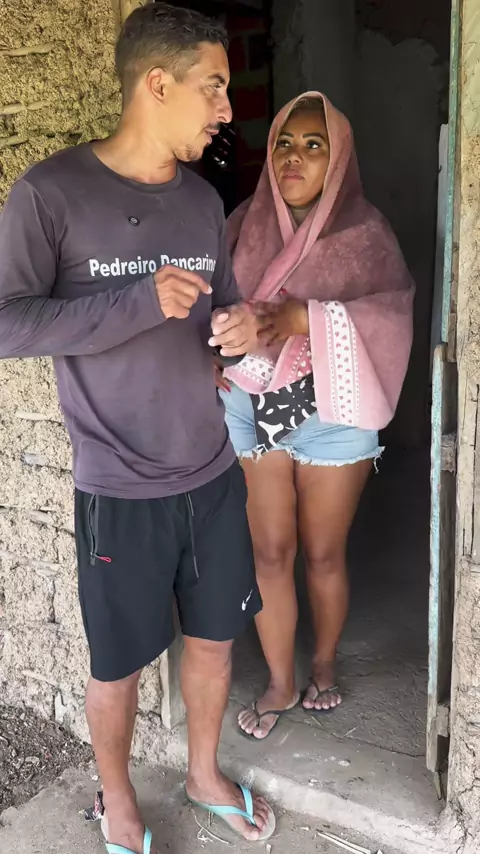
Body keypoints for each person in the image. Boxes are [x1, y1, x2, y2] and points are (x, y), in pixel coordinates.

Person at [0, 4, 276, 853]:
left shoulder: (200, 201)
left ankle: (202, 774)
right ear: (157, 84)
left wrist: (242, 330)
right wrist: (134, 301)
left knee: (215, 642)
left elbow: (221, 307)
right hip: (118, 487)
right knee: (117, 664)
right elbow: (7, 323)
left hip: (211, 470)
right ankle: (118, 802)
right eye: (214, 87)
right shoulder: (50, 193)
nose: (226, 108)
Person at [218, 92, 415, 740]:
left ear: (339, 158)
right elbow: (207, 302)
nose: (294, 157)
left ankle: (323, 662)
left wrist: (308, 317)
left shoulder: (367, 235)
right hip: (250, 402)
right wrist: (213, 346)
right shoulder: (243, 224)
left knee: (324, 554)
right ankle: (280, 679)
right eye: (284, 142)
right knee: (268, 551)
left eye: (313, 144)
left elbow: (393, 317)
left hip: (335, 409)